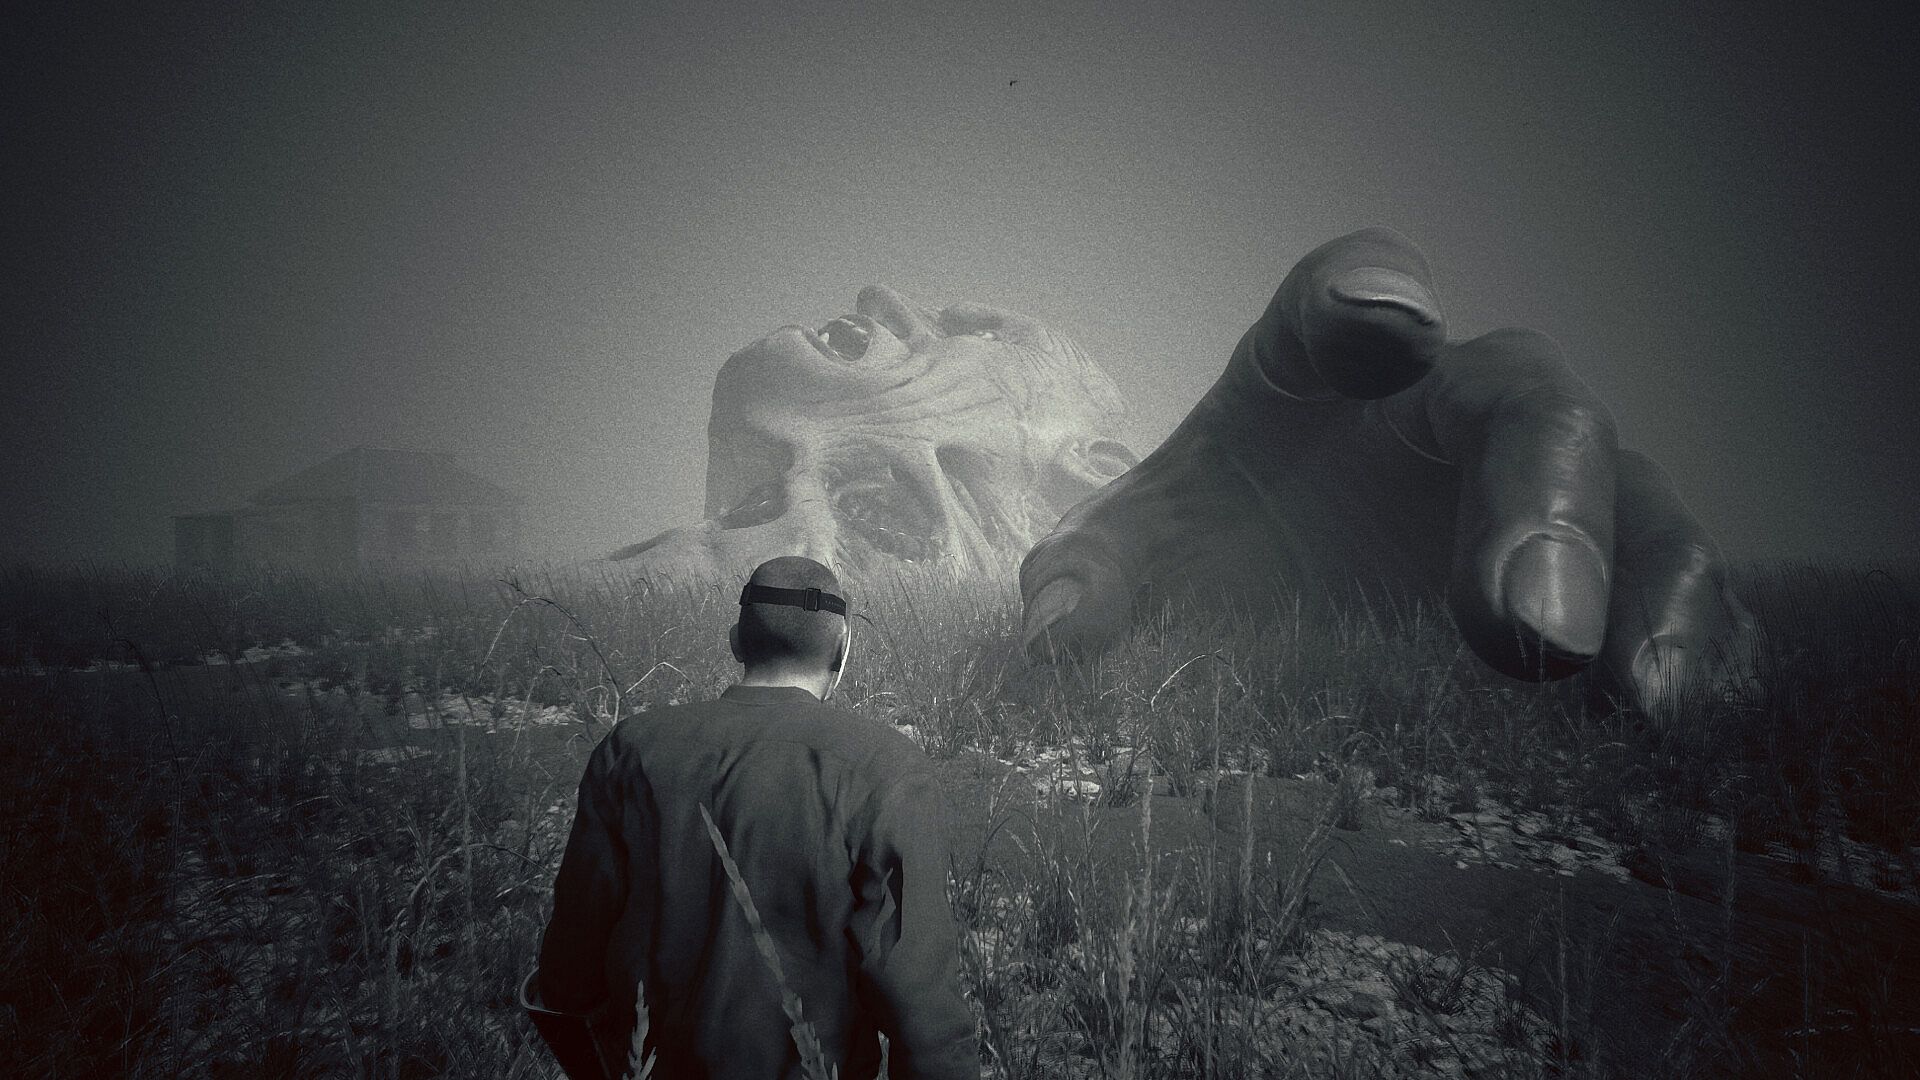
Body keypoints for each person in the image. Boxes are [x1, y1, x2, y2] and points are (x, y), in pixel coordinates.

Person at [525, 556, 979, 1080]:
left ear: (737, 641)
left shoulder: (630, 749)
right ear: (842, 648)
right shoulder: (886, 769)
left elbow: (569, 973)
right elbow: (924, 1014)